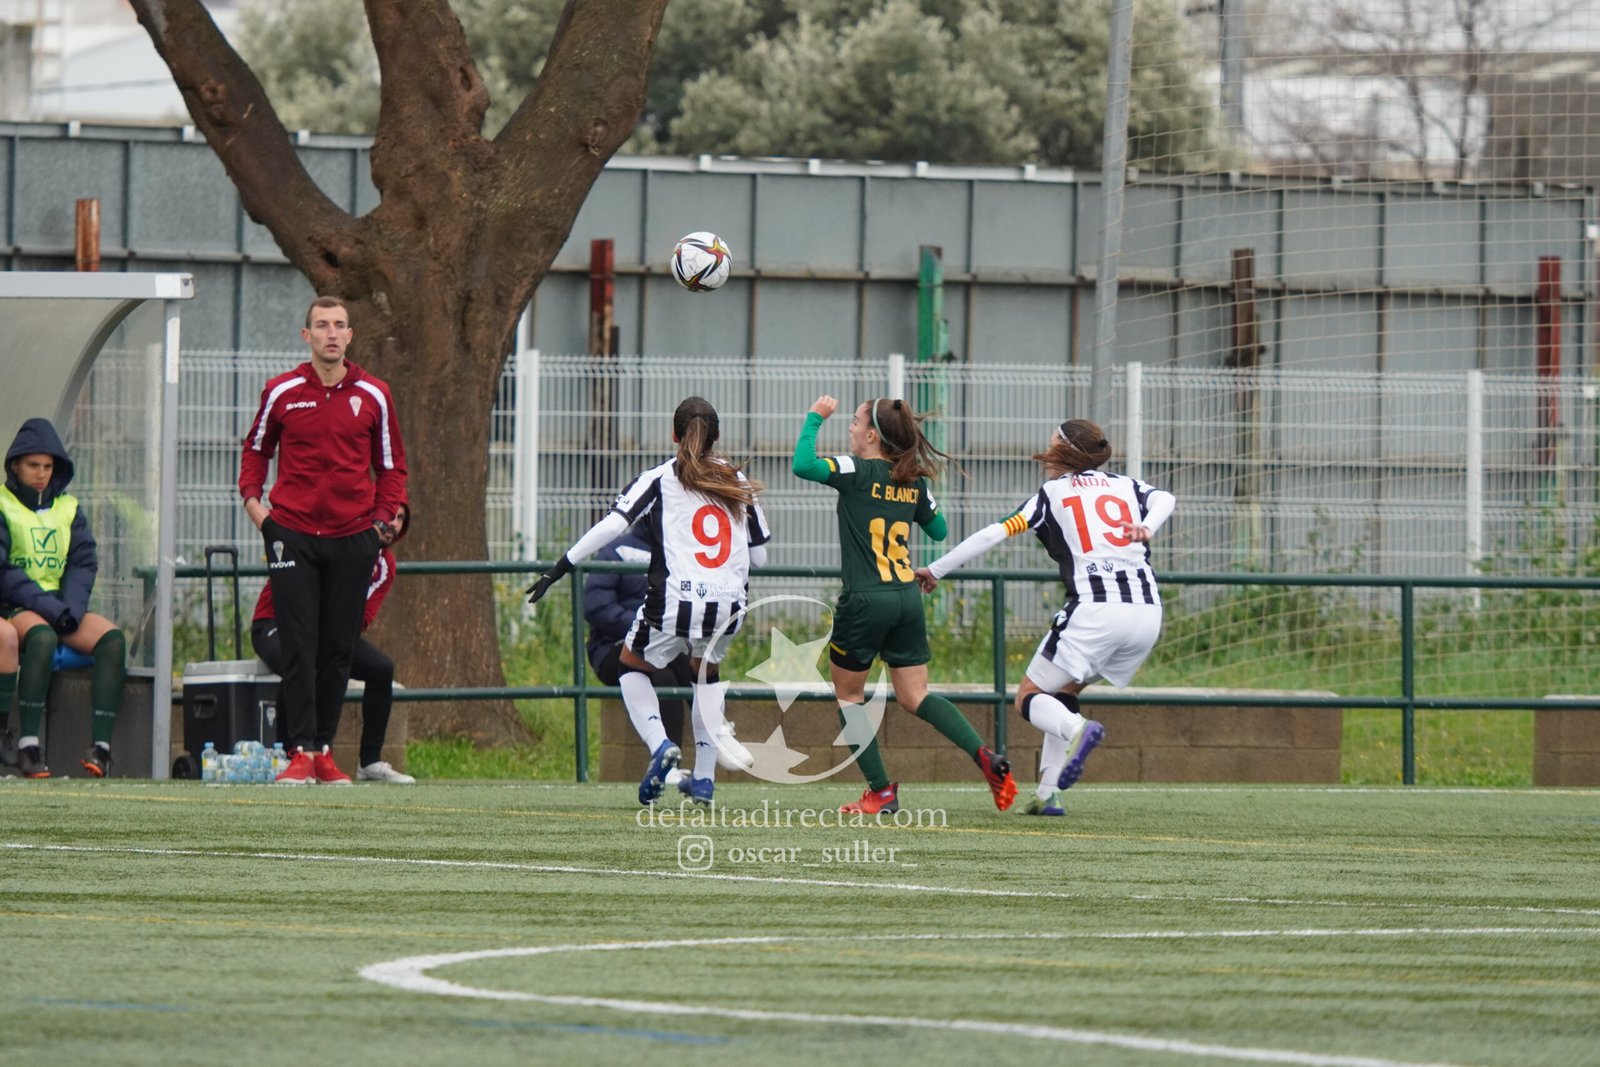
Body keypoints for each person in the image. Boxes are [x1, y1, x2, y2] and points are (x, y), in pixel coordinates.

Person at [914, 418, 1175, 815]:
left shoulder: (1051, 494)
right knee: (1063, 693)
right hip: (1147, 614)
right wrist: (1146, 527)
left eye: (1052, 444)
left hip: (1096, 611)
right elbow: (1165, 498)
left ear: (1064, 451)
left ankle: (1077, 730)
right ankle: (1048, 793)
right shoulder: (1126, 485)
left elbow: (994, 533)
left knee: (1028, 698)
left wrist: (936, 569)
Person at [527, 396, 770, 806]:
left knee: (631, 666)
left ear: (674, 435)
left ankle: (661, 745)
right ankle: (704, 781)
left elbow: (613, 525)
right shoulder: (737, 480)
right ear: (717, 437)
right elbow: (759, 557)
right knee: (705, 676)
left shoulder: (659, 478)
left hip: (677, 600)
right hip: (729, 603)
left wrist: (562, 565)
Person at [793, 395, 1017, 814]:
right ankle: (984, 754)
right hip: (906, 598)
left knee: (849, 696)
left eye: (855, 421)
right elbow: (939, 529)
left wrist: (814, 418)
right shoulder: (913, 482)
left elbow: (803, 465)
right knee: (916, 696)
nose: (850, 427)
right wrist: (908, 496)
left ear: (872, 436)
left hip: (865, 601)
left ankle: (881, 791)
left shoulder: (854, 470)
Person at [239, 295, 408, 786]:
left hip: (354, 537)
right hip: (291, 534)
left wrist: (379, 524)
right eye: (321, 325)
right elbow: (255, 452)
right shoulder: (282, 391)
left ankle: (324, 752)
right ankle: (299, 752)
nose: (331, 333)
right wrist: (258, 510)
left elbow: (392, 467)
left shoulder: (375, 394)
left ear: (350, 336)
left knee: (338, 648)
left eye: (339, 325)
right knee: (299, 645)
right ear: (306, 335)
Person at [0, 418, 128, 778]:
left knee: (112, 640)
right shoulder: (3, 504)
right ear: (15, 465)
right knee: (42, 637)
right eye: (33, 465)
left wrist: (68, 609)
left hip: (57, 607)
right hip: (15, 606)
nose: (41, 474)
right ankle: (28, 746)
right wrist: (53, 610)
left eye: (47, 466)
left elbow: (83, 562)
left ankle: (101, 750)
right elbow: (4, 573)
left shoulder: (69, 507)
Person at [252, 502, 415, 783]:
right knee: (302, 659)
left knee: (381, 668)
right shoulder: (333, 542)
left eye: (400, 518)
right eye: (390, 515)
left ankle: (370, 762)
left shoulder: (384, 565)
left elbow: (358, 619)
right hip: (275, 624)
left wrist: (336, 630)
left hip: (331, 632)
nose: (393, 523)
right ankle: (290, 754)